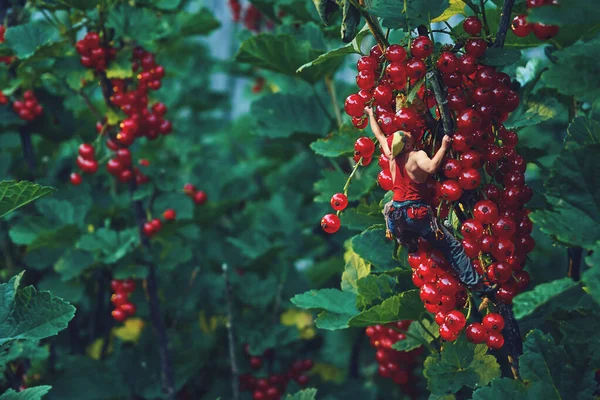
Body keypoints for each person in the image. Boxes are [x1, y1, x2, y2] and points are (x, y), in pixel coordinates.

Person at [364, 106, 483, 290]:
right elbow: (431, 168)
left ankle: (409, 240)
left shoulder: (391, 156)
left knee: (416, 237)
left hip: (396, 217)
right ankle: (477, 285)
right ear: (408, 144)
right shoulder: (416, 155)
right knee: (453, 248)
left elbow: (379, 134)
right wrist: (443, 145)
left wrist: (371, 114)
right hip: (416, 214)